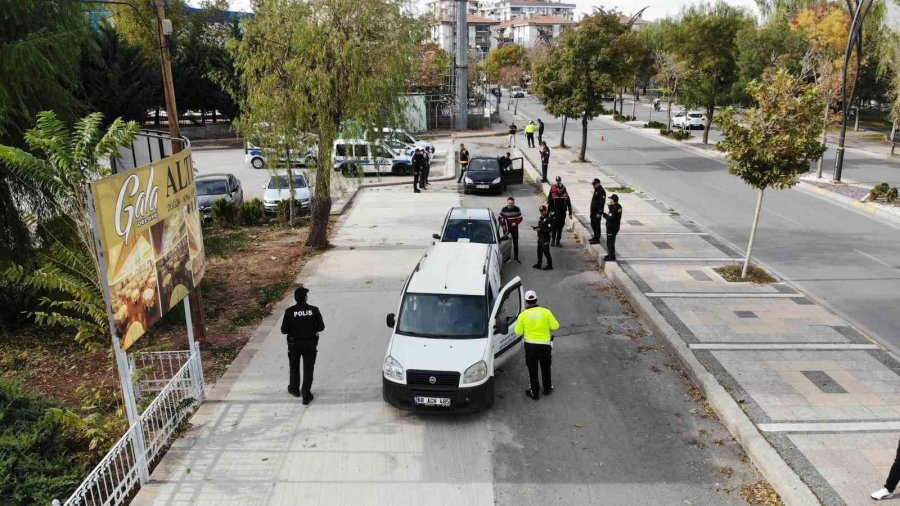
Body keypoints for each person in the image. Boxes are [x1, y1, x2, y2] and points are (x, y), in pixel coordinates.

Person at [281, 286, 325, 405]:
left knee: (294, 366)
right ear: (305, 298)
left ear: (295, 298)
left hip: (294, 344)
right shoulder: (314, 310)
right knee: (308, 369)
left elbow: (284, 330)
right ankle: (306, 394)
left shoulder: (289, 312)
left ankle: (294, 389)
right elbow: (321, 327)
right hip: (310, 343)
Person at [514, 290, 560, 400]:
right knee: (546, 367)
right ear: (536, 299)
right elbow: (556, 326)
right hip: (545, 345)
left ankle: (534, 393)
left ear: (526, 301)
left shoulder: (523, 315)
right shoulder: (546, 312)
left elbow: (517, 332)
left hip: (530, 347)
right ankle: (547, 389)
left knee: (532, 369)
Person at [547, 182, 572, 247]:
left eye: (561, 188)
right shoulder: (554, 195)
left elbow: (569, 205)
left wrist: (570, 213)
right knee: (554, 228)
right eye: (559, 188)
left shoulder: (566, 196)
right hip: (555, 214)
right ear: (557, 188)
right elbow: (550, 205)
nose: (560, 190)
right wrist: (548, 212)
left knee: (560, 228)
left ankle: (558, 241)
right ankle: (552, 241)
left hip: (562, 214)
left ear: (563, 188)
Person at [499, 197, 522, 263]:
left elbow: (520, 218)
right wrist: (502, 225)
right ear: (507, 203)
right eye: (509, 203)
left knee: (515, 243)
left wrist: (516, 223)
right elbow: (499, 218)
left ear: (514, 203)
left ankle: (516, 258)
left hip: (514, 228)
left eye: (512, 203)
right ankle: (507, 258)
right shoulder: (504, 209)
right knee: (507, 244)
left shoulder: (517, 209)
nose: (510, 205)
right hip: (506, 229)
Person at [532, 205, 553, 270]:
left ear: (546, 211)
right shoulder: (541, 218)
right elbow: (540, 226)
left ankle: (549, 265)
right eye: (540, 211)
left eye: (543, 211)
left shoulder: (549, 219)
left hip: (545, 238)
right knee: (539, 252)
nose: (541, 212)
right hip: (540, 238)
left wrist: (541, 230)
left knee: (546, 252)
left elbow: (550, 229)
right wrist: (536, 228)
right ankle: (539, 264)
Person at [602, 194, 622, 262]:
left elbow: (611, 217)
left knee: (610, 243)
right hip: (612, 227)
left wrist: (604, 215)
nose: (610, 200)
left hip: (612, 228)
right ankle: (610, 254)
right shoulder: (616, 206)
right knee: (609, 242)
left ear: (613, 200)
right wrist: (610, 207)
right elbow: (612, 214)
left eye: (611, 199)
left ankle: (612, 257)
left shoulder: (616, 207)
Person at [589, 178, 606, 244]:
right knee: (592, 224)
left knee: (597, 225)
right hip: (593, 211)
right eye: (593, 184)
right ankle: (595, 237)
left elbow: (602, 203)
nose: (593, 186)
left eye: (594, 184)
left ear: (598, 184)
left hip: (597, 212)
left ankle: (597, 239)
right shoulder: (596, 190)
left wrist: (599, 212)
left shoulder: (601, 191)